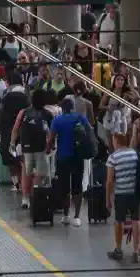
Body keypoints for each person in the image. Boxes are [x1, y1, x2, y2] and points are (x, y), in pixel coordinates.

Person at [47, 96, 90, 227]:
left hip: (63, 157)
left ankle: (66, 215)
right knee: (77, 186)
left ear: (62, 108)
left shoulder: (57, 120)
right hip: (78, 156)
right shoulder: (80, 118)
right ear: (73, 107)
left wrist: (48, 149)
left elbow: (51, 137)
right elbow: (89, 132)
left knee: (64, 187)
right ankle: (77, 217)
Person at [106, 131, 140, 263]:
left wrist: (108, 199)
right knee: (136, 220)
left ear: (117, 141)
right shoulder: (134, 154)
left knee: (119, 221)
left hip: (121, 193)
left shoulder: (113, 157)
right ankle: (136, 252)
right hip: (134, 192)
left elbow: (109, 181)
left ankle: (118, 250)